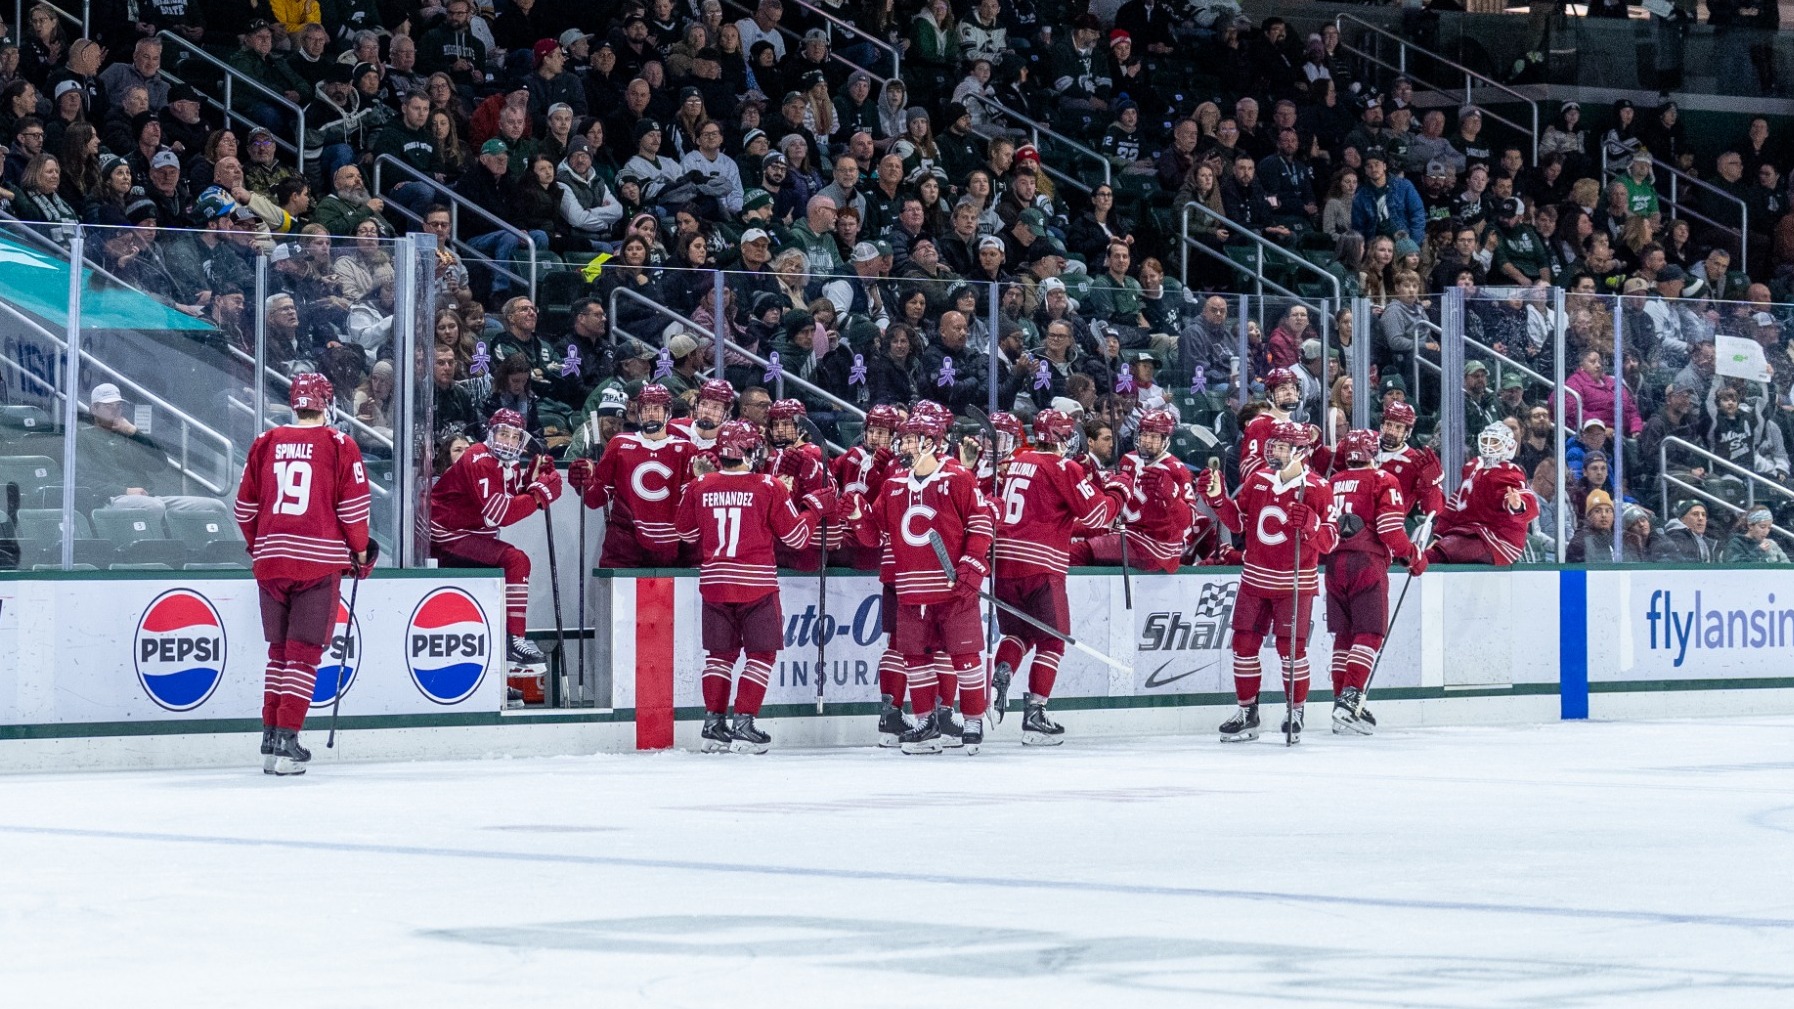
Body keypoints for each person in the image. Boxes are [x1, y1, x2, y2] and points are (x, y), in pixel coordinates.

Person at [232, 373, 373, 776]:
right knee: (304, 655)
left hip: (271, 561)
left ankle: (270, 739)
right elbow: (353, 509)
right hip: (317, 561)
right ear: (327, 403)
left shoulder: (265, 442)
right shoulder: (339, 443)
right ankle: (288, 739)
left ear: (294, 403)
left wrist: (261, 546)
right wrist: (361, 552)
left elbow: (244, 509)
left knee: (279, 651)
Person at [845, 402, 995, 755]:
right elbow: (872, 535)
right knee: (915, 658)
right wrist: (855, 515)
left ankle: (972, 721)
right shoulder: (895, 484)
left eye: (911, 439)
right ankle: (927, 722)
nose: (905, 446)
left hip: (952, 589)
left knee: (965, 656)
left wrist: (972, 566)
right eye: (905, 439)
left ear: (931, 441)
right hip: (911, 589)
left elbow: (980, 523)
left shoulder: (957, 476)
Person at [673, 420, 820, 753]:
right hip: (756, 586)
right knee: (761, 655)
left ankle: (713, 727)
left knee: (719, 657)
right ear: (748, 451)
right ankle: (744, 722)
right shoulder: (768, 485)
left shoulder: (701, 485)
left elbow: (686, 534)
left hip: (714, 585)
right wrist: (814, 510)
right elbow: (796, 538)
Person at [989, 408, 1130, 745]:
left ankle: (1002, 671)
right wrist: (1118, 492)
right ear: (1064, 438)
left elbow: (1050, 511)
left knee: (1017, 634)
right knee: (1053, 640)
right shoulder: (1062, 466)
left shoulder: (1020, 461)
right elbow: (1097, 514)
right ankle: (1036, 715)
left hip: (1005, 565)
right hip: (1041, 566)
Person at [1199, 420, 1339, 743]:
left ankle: (1296, 711)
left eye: (1281, 447)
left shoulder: (1318, 488)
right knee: (1244, 645)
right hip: (1254, 579)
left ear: (1301, 452)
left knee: (1291, 650)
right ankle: (1248, 713)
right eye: (1272, 445)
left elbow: (1330, 541)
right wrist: (1219, 499)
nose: (1273, 451)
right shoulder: (1258, 479)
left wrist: (1312, 524)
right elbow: (1238, 524)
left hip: (1294, 583)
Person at [427, 407, 563, 668]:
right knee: (516, 561)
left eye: (514, 437)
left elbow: (510, 499)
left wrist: (532, 479)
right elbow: (499, 513)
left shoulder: (507, 463)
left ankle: (504, 655)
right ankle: (515, 640)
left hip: (467, 532)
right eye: (503, 433)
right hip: (447, 535)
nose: (508, 441)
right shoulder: (478, 457)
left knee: (511, 565)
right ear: (490, 434)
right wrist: (539, 494)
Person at [1324, 429, 1422, 736]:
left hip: (1333, 564)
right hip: (1366, 563)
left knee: (1344, 635)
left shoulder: (1333, 482)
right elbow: (1391, 531)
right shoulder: (1383, 480)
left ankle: (1340, 700)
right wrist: (1413, 556)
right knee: (1369, 634)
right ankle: (1350, 698)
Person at [568, 383, 698, 567]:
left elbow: (692, 507)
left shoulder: (686, 449)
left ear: (668, 412)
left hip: (671, 547)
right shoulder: (619, 444)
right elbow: (597, 498)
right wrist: (584, 484)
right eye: (646, 409)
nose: (651, 414)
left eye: (657, 409)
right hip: (624, 545)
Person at [1072, 410, 1193, 572]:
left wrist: (1172, 496)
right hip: (1127, 532)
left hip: (1155, 547)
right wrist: (1091, 474)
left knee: (1077, 554)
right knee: (1068, 531)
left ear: (1165, 440)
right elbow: (1111, 499)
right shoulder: (1128, 459)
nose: (1147, 442)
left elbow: (1187, 521)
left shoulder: (1176, 470)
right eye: (1144, 435)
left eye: (1154, 437)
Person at [1426, 423, 1539, 566]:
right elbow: (1457, 504)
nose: (1489, 445)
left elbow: (1527, 499)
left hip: (1498, 540)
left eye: (1494, 441)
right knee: (1444, 549)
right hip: (1472, 533)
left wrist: (1518, 505)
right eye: (1486, 440)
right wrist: (1440, 534)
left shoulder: (1511, 472)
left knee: (1445, 550)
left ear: (1507, 446)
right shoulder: (1474, 469)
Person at [762, 399, 837, 570]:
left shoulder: (813, 452)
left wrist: (810, 474)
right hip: (777, 540)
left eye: (787, 424)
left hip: (807, 541)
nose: (780, 430)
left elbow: (831, 491)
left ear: (801, 427)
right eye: (776, 424)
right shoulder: (771, 456)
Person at [1374, 399, 1445, 527]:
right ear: (1382, 425)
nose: (1392, 431)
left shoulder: (1416, 461)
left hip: (1391, 525)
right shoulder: (1366, 445)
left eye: (1398, 427)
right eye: (1389, 425)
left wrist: (1431, 486)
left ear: (1408, 431)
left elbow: (1434, 510)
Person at [1238, 367, 1304, 480]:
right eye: (1282, 389)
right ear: (1270, 394)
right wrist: (1287, 467)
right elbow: (1248, 468)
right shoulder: (1258, 425)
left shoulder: (1298, 428)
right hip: (1266, 494)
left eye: (1293, 388)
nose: (1289, 393)